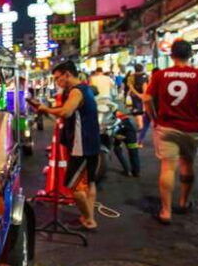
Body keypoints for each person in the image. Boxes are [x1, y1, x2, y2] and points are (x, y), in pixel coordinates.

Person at [144, 39, 198, 224]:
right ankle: (183, 202)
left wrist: (153, 118)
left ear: (172, 55)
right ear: (190, 54)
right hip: (192, 128)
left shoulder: (161, 75)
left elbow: (147, 98)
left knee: (168, 167)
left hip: (167, 126)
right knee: (187, 163)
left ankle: (166, 211)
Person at [38, 61, 101, 231]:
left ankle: (89, 220)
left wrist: (47, 110)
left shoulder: (76, 91)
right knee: (90, 183)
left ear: (67, 74)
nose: (57, 82)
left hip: (81, 145)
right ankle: (88, 218)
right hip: (93, 142)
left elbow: (66, 112)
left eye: (58, 78)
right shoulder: (85, 88)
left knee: (73, 187)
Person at [112, 111, 140, 177]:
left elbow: (114, 130)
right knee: (133, 154)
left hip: (125, 135)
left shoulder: (120, 122)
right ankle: (135, 171)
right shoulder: (128, 120)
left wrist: (115, 135)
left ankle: (129, 171)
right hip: (130, 136)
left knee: (131, 153)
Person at [127, 64, 150, 132]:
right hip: (146, 95)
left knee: (137, 112)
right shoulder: (146, 76)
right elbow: (148, 85)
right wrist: (144, 94)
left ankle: (140, 126)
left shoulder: (131, 77)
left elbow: (131, 87)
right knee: (144, 110)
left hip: (135, 96)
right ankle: (143, 124)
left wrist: (138, 94)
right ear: (142, 68)